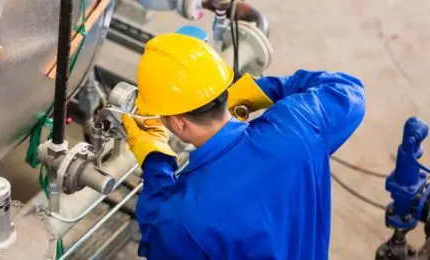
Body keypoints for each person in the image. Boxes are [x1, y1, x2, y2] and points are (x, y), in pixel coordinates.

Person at [121, 32, 366, 260]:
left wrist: (156, 160)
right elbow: (347, 90)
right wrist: (262, 90)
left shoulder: (185, 216)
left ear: (178, 122)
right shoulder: (299, 126)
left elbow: (158, 236)